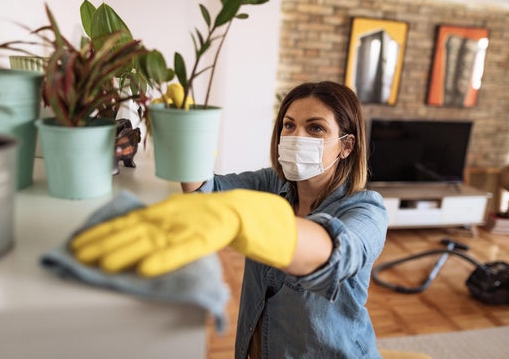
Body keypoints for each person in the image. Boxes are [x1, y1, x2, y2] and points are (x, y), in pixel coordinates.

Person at [70, 81, 388, 358]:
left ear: (346, 146)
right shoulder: (271, 184)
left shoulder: (367, 210)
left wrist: (241, 216)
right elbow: (204, 190)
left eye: (315, 128)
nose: (295, 136)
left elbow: (335, 251)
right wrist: (183, 131)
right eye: (288, 125)